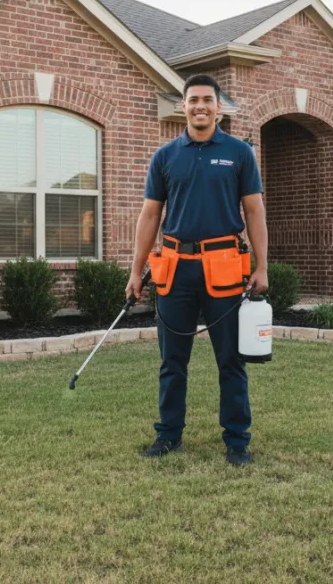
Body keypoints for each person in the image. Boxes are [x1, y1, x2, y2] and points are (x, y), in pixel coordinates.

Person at [125, 74, 269, 466]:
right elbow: (150, 215)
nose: (201, 106)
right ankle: (168, 436)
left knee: (230, 360)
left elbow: (254, 210)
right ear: (183, 106)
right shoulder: (165, 156)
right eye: (193, 100)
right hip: (175, 270)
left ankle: (237, 441)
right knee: (172, 361)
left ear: (219, 107)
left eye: (208, 100)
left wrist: (262, 265)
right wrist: (136, 272)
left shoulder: (239, 153)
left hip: (224, 267)